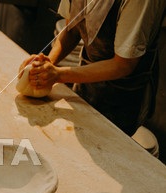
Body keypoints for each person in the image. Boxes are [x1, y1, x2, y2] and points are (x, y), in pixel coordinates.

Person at [19, 0, 166, 136]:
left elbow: (124, 65)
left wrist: (57, 75)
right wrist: (47, 62)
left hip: (123, 97)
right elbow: (72, 29)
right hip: (86, 83)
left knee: (111, 152)